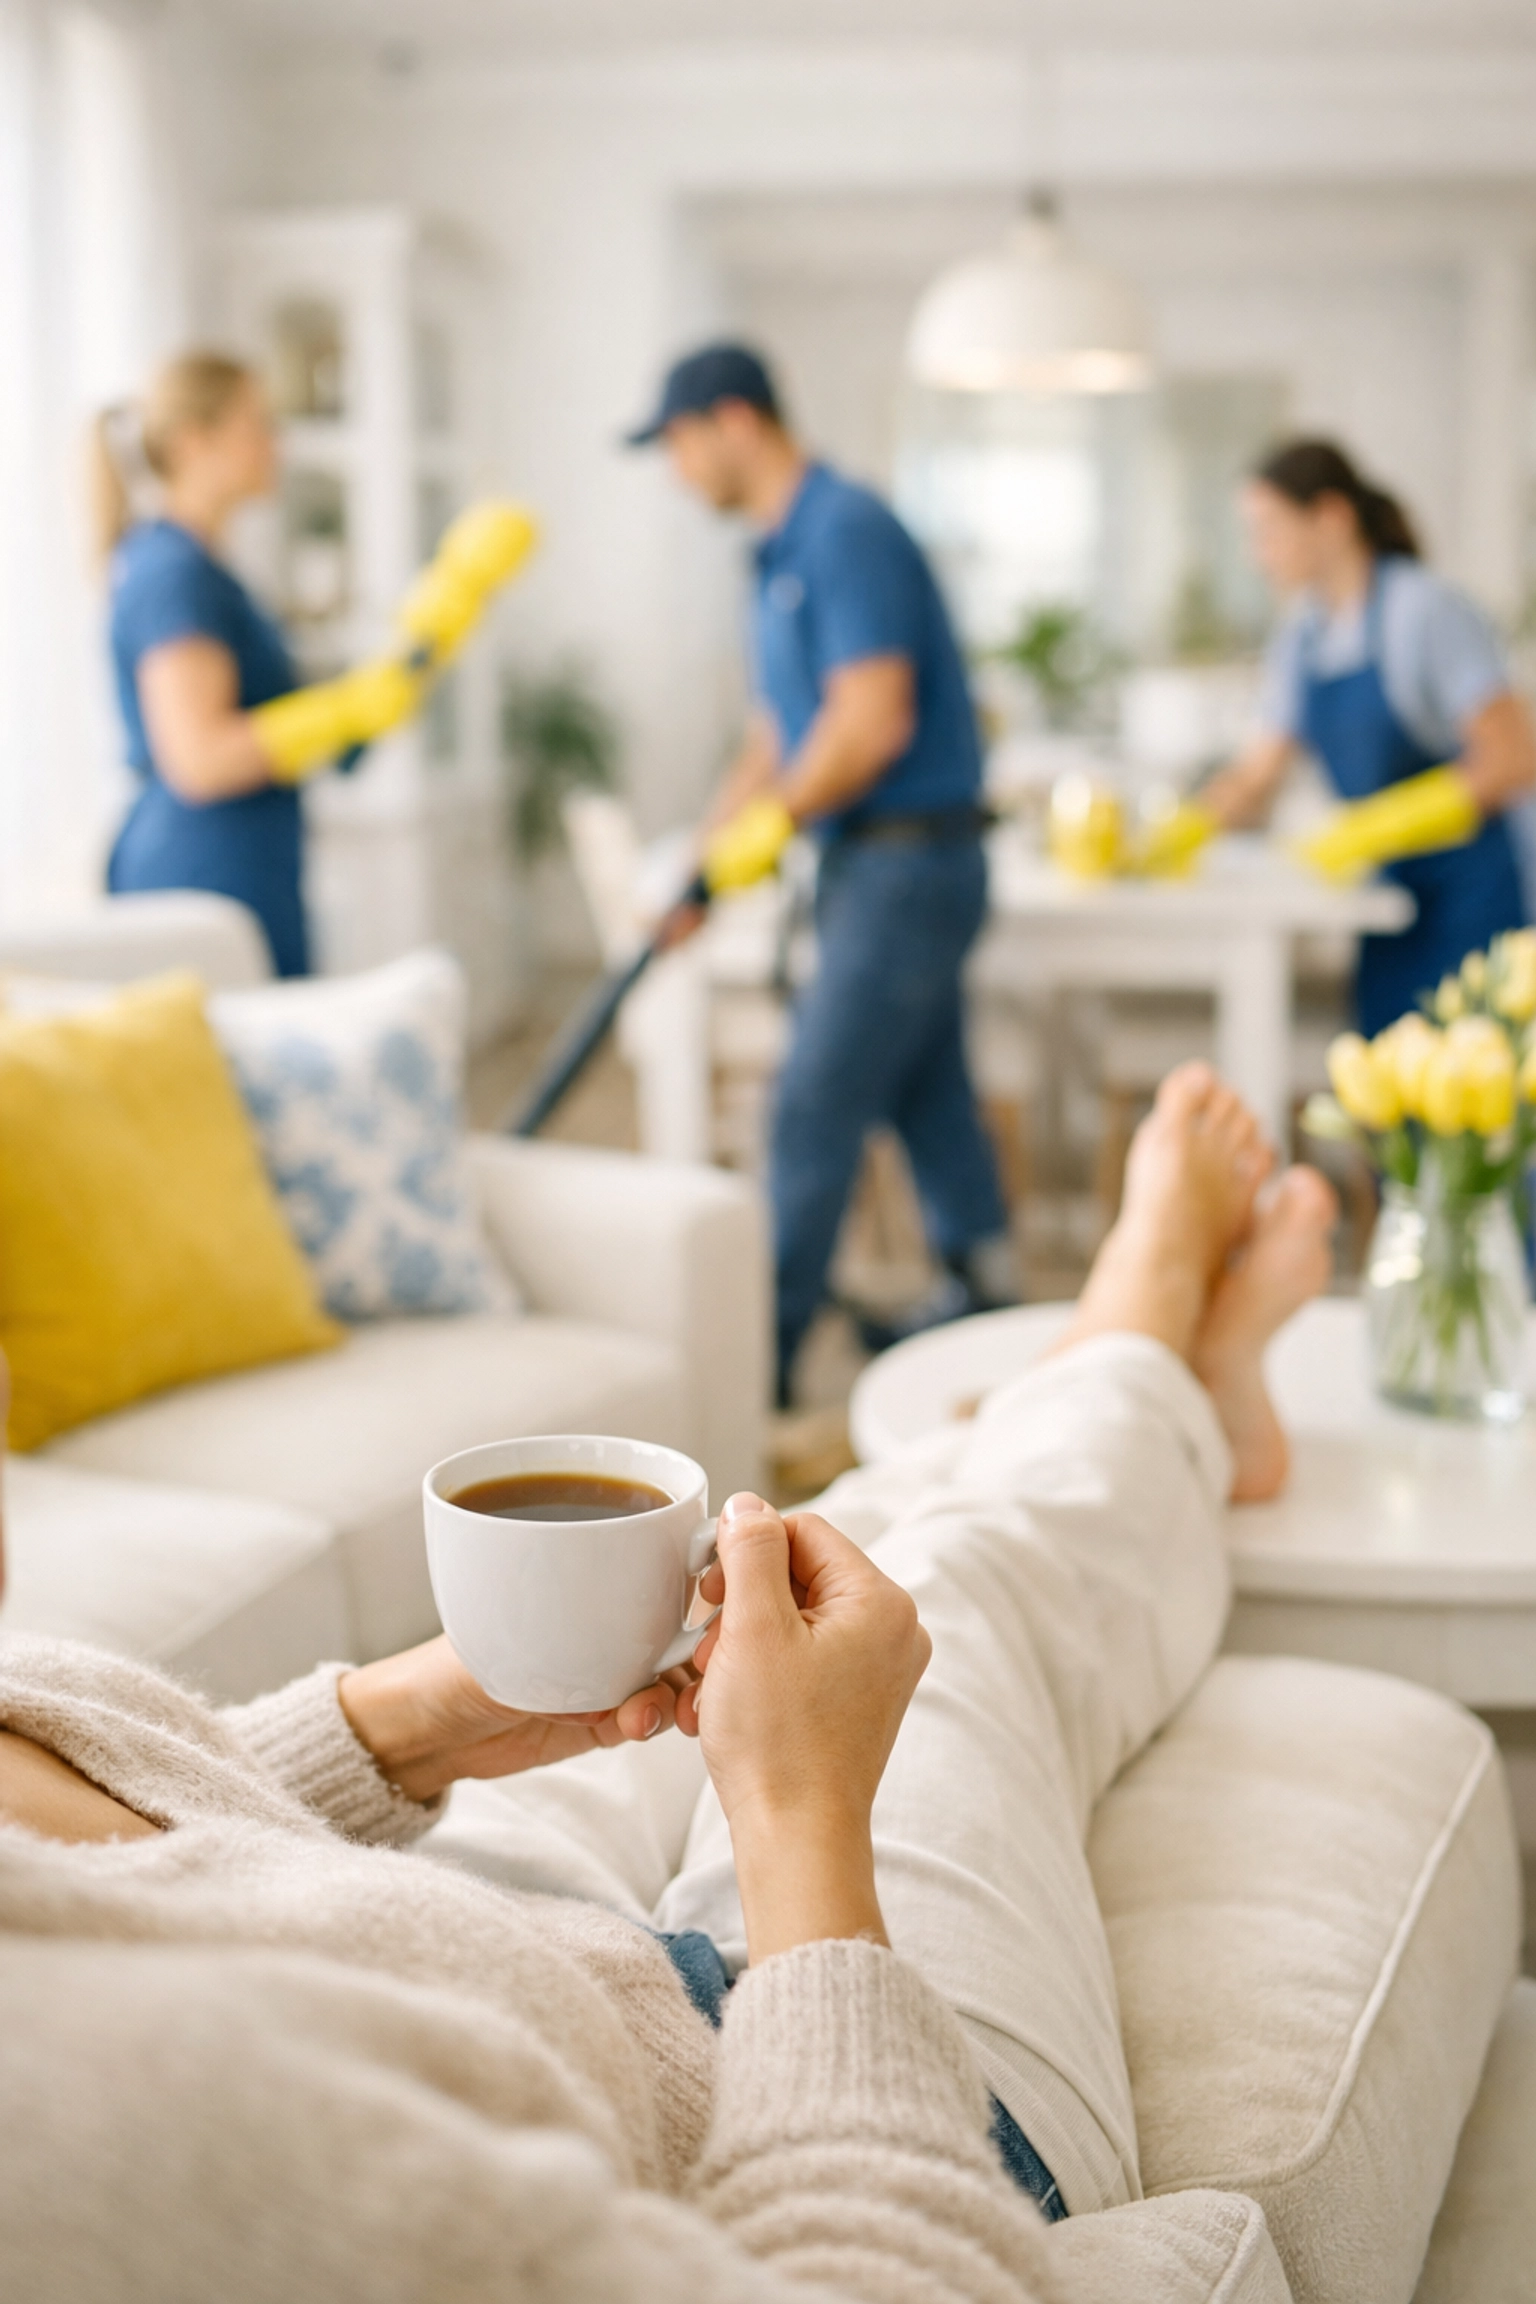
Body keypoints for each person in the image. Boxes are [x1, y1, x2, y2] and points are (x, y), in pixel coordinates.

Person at [0, 1065, 1339, 2300]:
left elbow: (142, 1876)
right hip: (801, 2100)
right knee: (965, 1586)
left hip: (466, 1930)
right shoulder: (91, 2127)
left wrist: (407, 1730)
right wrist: (802, 1822)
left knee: (810, 1574)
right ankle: (1145, 1333)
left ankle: (1127, 1394)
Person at [625, 343, 1013, 1403]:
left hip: (910, 862)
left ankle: (760, 1367)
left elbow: (870, 721)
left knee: (812, 1107)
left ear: (735, 421)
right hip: (870, 866)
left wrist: (761, 837)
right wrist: (705, 858)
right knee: (928, 1096)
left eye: (677, 444)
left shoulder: (845, 531)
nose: (675, 472)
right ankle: (990, 1302)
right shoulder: (777, 551)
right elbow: (775, 734)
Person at [95, 353, 482, 978]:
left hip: (246, 859)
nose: (278, 441)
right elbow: (199, 759)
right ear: (194, 441)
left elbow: (276, 725)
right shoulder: (174, 573)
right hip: (202, 874)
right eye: (259, 424)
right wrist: (344, 708)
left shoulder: (208, 568)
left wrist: (416, 653)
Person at [1203, 437, 1535, 1036]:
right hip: (1386, 902)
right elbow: (1259, 773)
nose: (1259, 556)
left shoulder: (1424, 611)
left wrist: (1382, 823)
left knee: (1480, 1086)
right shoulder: (1302, 637)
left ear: (1330, 518)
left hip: (1471, 897)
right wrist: (1180, 828)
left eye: (1269, 531)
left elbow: (1514, 756)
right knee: (1390, 1086)